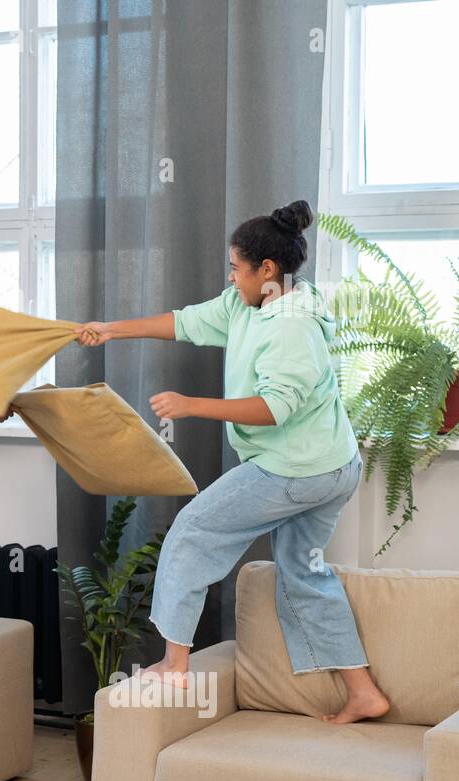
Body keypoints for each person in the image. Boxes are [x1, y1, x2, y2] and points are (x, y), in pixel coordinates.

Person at [76, 200, 389, 724]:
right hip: (330, 467)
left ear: (267, 271)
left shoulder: (292, 328)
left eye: (235, 267)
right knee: (302, 572)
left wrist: (190, 406)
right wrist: (111, 329)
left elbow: (272, 409)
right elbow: (185, 322)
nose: (229, 276)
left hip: (298, 469)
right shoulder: (250, 303)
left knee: (193, 530)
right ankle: (363, 691)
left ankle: (174, 663)